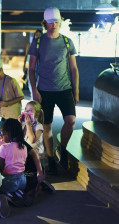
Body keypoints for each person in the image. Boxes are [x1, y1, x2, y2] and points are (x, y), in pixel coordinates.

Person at [28, 7, 79, 174]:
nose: (54, 25)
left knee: (71, 121)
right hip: (45, 91)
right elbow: (31, 69)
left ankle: (62, 149)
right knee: (47, 127)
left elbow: (74, 69)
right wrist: (35, 91)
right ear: (45, 23)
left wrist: (76, 91)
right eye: (50, 22)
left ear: (60, 22)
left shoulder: (67, 41)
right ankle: (50, 158)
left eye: (56, 21)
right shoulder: (37, 42)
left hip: (65, 89)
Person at [0, 119, 44, 206]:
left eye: (2, 134)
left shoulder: (3, 147)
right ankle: (19, 192)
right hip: (22, 181)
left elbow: (0, 167)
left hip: (11, 180)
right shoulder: (24, 146)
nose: (2, 137)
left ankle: (8, 195)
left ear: (7, 134)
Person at [0, 58, 24, 127]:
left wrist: (7, 103)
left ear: (0, 70)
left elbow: (21, 96)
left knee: (11, 134)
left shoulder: (11, 81)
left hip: (12, 116)